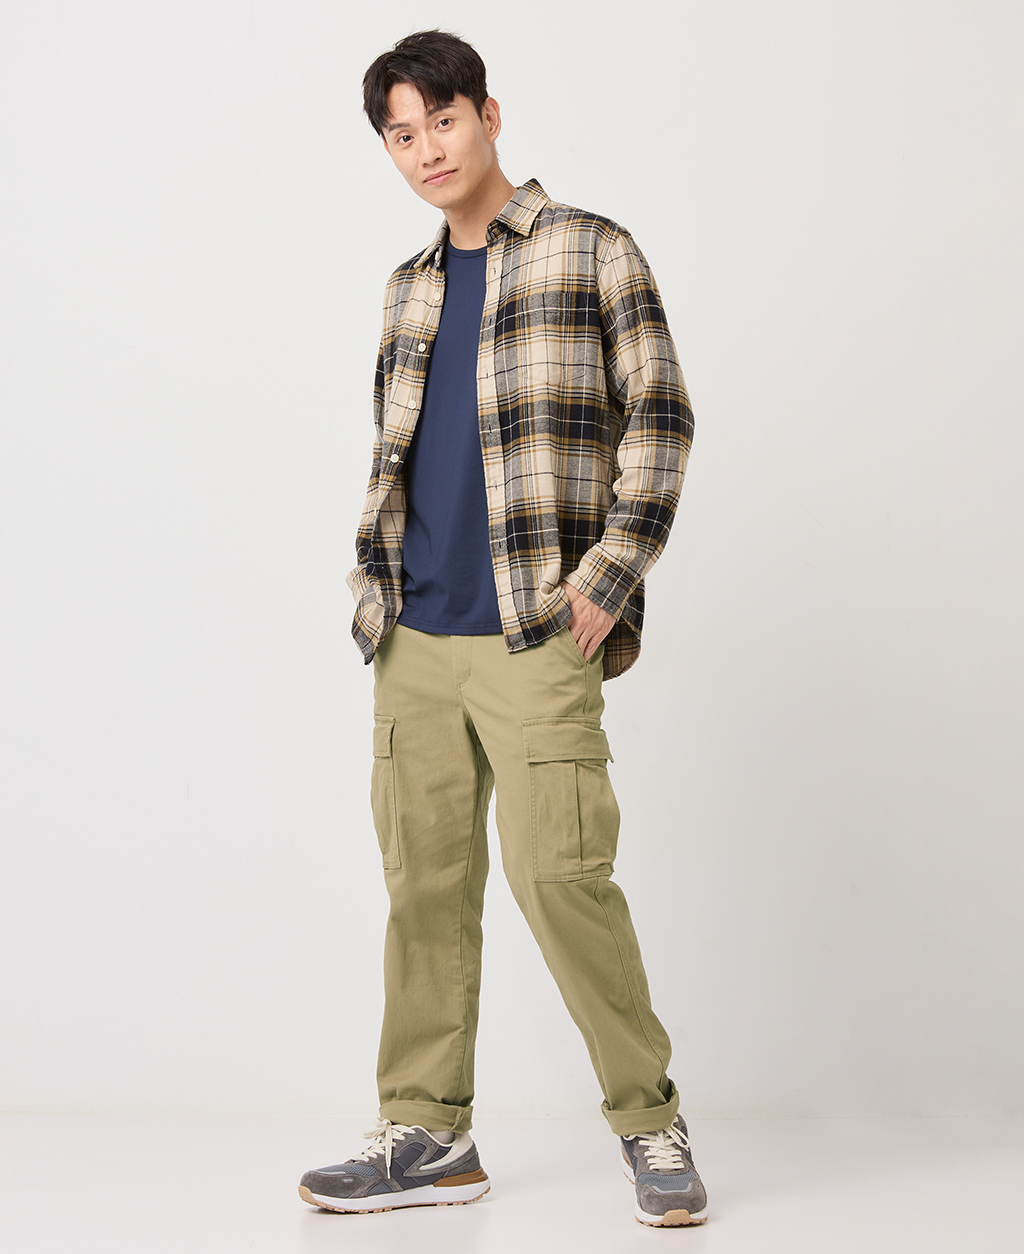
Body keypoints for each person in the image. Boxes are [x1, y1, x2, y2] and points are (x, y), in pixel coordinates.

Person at [297, 28, 707, 1228]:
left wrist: (607, 578)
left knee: (561, 879)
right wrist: (373, 597)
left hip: (536, 631)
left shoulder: (591, 249)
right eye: (401, 135)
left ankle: (649, 1120)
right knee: (423, 888)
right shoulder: (408, 287)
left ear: (487, 114)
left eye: (442, 120)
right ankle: (427, 1133)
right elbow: (398, 456)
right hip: (413, 635)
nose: (426, 149)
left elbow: (662, 418)